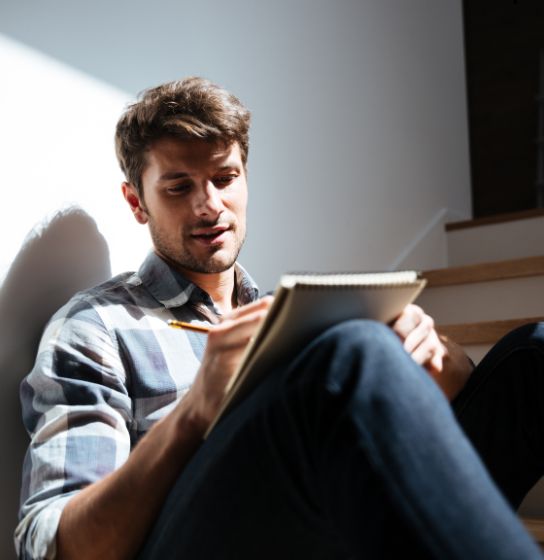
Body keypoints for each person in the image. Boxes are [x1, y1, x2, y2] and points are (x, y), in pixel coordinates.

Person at [15, 76, 544, 560]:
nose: (210, 206)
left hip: (331, 514)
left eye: (225, 178)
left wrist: (433, 355)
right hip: (201, 539)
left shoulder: (290, 311)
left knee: (532, 355)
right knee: (350, 350)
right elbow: (57, 543)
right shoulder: (94, 327)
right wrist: (195, 412)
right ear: (137, 202)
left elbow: (459, 410)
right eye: (179, 187)